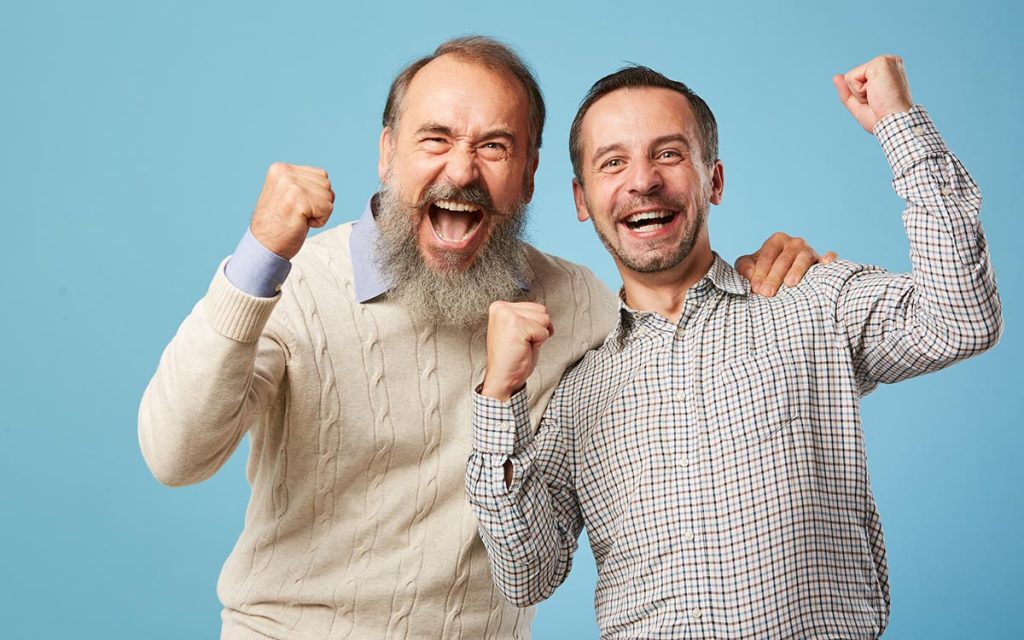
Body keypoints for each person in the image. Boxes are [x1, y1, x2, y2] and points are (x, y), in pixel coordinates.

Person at [139, 36, 826, 639]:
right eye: (434, 139)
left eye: (494, 146)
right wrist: (259, 256)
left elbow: (680, 350)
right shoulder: (296, 287)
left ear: (529, 178)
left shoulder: (577, 304)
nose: (462, 171)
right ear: (388, 154)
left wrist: (770, 277)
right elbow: (176, 455)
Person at [468, 56, 1002, 639]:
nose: (642, 180)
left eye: (668, 154)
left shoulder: (809, 299)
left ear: (714, 181)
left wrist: (899, 125)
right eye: (613, 162)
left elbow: (962, 319)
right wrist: (500, 399)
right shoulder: (575, 394)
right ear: (582, 199)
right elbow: (527, 576)